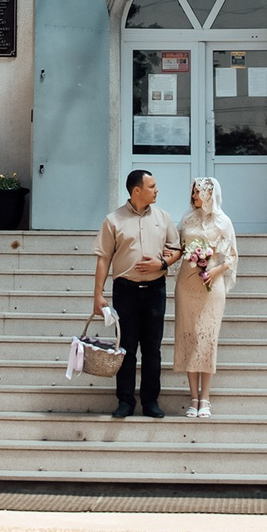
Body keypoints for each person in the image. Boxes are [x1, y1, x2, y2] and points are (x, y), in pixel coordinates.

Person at [91, 168, 174, 419]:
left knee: (152, 349)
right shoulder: (113, 220)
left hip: (155, 291)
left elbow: (176, 249)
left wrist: (161, 264)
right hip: (125, 291)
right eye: (152, 186)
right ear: (136, 190)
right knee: (125, 348)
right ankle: (125, 401)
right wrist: (98, 295)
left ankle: (151, 402)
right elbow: (103, 259)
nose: (157, 190)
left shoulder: (164, 217)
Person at [172, 176, 237, 418]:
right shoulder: (187, 219)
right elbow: (177, 247)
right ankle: (193, 397)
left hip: (212, 285)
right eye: (193, 191)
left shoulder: (223, 221)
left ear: (210, 194)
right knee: (189, 336)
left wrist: (215, 270)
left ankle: (206, 398)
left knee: (207, 338)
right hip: (187, 285)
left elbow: (232, 256)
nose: (194, 196)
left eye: (198, 192)